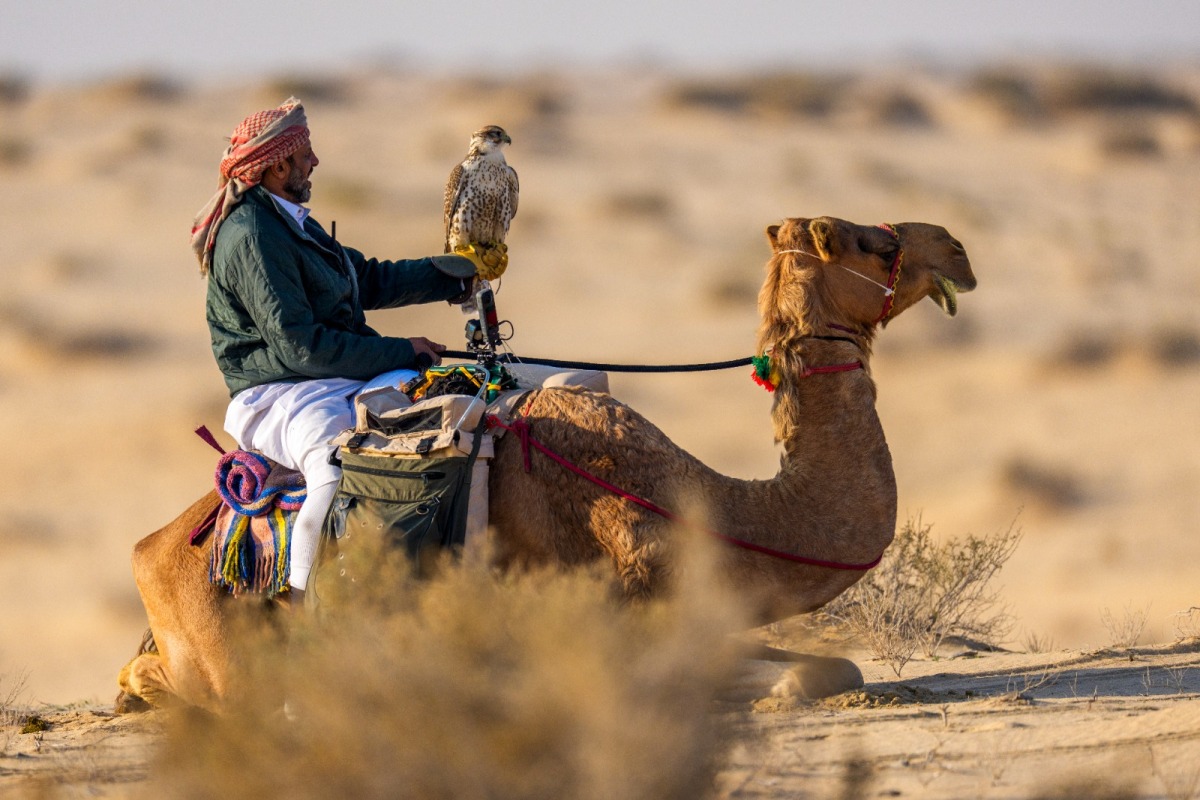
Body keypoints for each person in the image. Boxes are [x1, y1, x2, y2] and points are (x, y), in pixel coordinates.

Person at [191, 97, 486, 603]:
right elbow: (298, 346)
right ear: (277, 165)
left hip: (333, 378)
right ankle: (306, 608)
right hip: (280, 394)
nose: (315, 162)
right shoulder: (253, 234)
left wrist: (456, 272)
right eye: (305, 152)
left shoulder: (290, 222)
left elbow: (366, 279)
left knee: (455, 407)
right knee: (332, 472)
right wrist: (404, 350)